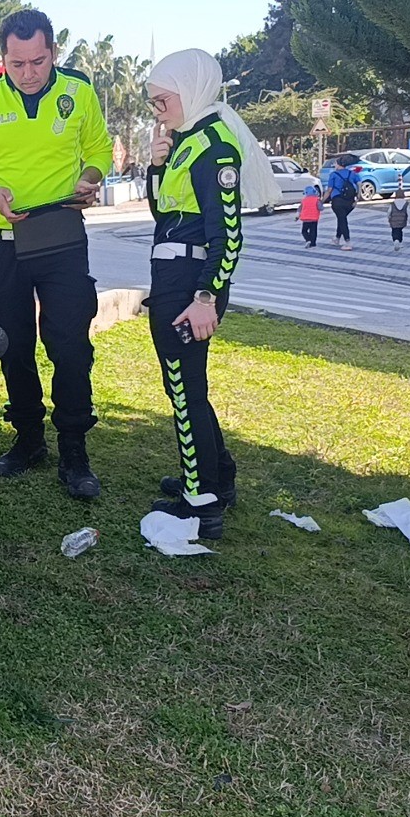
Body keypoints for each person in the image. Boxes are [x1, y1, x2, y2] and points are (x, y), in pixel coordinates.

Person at [0, 9, 114, 500]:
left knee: (70, 345)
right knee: (13, 345)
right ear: (3, 58)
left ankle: (74, 448)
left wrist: (90, 179)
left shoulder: (78, 91)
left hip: (61, 236)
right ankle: (28, 437)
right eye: (17, 64)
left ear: (53, 52)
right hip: (3, 242)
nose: (29, 73)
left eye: (38, 61)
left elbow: (100, 149)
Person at [144, 49, 277, 538]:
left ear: (191, 91)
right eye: (153, 103)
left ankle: (201, 502)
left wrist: (205, 299)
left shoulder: (214, 147)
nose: (157, 112)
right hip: (173, 278)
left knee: (185, 391)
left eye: (163, 101)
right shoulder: (188, 140)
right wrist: (156, 166)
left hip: (189, 284)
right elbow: (165, 215)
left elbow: (229, 236)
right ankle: (215, 479)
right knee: (186, 387)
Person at [323, 153, 359, 250]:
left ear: (339, 165)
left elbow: (329, 190)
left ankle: (348, 242)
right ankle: (337, 238)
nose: (334, 165)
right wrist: (358, 197)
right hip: (350, 202)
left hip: (337, 201)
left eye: (335, 163)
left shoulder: (333, 175)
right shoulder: (352, 173)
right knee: (341, 218)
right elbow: (359, 183)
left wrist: (322, 201)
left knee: (342, 220)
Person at [388, 186, 410, 251]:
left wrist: (388, 217)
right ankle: (400, 241)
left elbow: (389, 211)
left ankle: (395, 240)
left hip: (393, 220)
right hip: (402, 220)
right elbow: (408, 212)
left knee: (394, 231)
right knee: (400, 230)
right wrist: (409, 219)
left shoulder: (393, 204)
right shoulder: (406, 203)